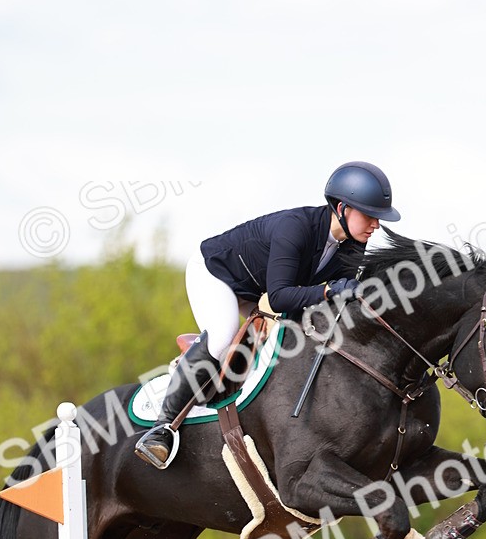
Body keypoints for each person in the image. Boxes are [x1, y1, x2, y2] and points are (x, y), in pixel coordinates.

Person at [135, 161, 401, 468]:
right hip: (216, 275)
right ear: (342, 208)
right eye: (370, 216)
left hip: (256, 289)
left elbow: (326, 305)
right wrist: (329, 290)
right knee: (222, 337)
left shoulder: (353, 246)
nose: (376, 225)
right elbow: (279, 296)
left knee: (292, 345)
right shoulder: (297, 227)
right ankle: (162, 427)